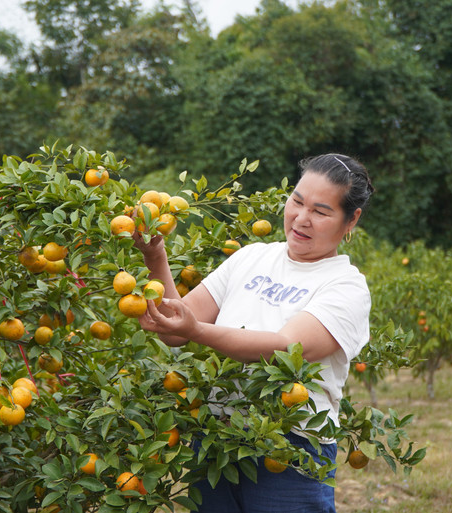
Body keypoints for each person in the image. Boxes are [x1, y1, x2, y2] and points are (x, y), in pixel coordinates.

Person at [133, 153, 375, 513]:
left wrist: (196, 330)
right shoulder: (251, 257)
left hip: (289, 447)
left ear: (350, 219)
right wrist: (156, 258)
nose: (301, 219)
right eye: (296, 201)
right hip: (217, 438)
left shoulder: (346, 287)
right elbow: (176, 328)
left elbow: (283, 347)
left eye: (321, 212)